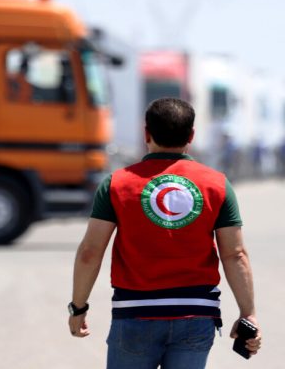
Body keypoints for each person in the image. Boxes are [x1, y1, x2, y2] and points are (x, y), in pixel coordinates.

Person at [68, 97, 262, 368]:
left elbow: (90, 252)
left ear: (146, 133)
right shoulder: (217, 185)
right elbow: (235, 254)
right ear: (191, 136)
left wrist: (78, 307)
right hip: (196, 314)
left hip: (135, 313)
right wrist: (248, 314)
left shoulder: (117, 184)